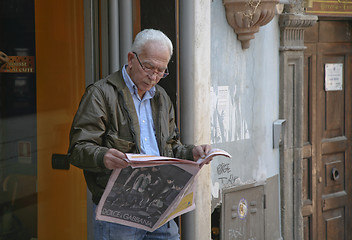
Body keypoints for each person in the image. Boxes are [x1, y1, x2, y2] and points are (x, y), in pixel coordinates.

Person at [68, 29, 212, 240]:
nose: (153, 76)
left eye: (161, 71)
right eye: (149, 67)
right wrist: (103, 157)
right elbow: (77, 149)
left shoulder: (161, 97)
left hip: (159, 206)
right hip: (118, 213)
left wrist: (192, 152)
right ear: (131, 59)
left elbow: (171, 147)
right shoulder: (100, 94)